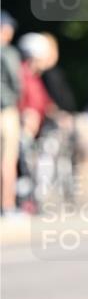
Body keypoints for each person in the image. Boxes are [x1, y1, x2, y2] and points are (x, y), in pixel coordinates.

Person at [0, 12, 22, 214]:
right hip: (6, 112)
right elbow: (17, 84)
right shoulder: (8, 53)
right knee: (8, 160)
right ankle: (7, 204)